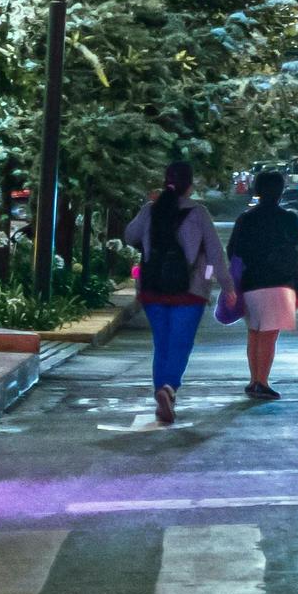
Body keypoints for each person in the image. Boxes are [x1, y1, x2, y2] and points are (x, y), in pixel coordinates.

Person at [125, 160, 228, 424]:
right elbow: (216, 253)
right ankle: (169, 389)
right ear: (190, 186)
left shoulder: (151, 210)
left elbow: (129, 236)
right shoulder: (199, 212)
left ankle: (163, 391)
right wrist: (228, 287)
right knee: (181, 344)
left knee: (162, 343)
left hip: (153, 289)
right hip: (189, 290)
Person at [225, 170, 298, 402]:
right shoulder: (289, 218)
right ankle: (262, 382)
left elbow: (232, 250)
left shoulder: (246, 218)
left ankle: (254, 380)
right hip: (280, 284)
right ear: (281, 191)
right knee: (269, 337)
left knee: (254, 333)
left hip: (251, 282)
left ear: (257, 190)